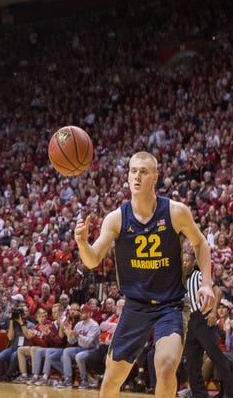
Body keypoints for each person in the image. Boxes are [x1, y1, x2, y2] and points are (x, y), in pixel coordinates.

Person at [74, 151, 215, 398]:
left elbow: (201, 243)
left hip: (169, 305)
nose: (137, 176)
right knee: (112, 378)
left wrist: (206, 282)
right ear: (128, 176)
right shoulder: (116, 218)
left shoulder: (175, 211)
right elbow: (93, 259)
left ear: (155, 178)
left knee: (166, 364)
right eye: (133, 171)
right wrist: (83, 244)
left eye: (143, 171)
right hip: (135, 306)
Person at [183, 253, 233, 398]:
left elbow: (217, 291)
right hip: (189, 322)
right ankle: (200, 395)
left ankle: (229, 393)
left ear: (193, 263)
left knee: (216, 357)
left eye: (187, 260)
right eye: (182, 261)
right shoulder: (179, 280)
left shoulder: (199, 275)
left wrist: (213, 312)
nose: (184, 263)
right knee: (191, 363)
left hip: (203, 319)